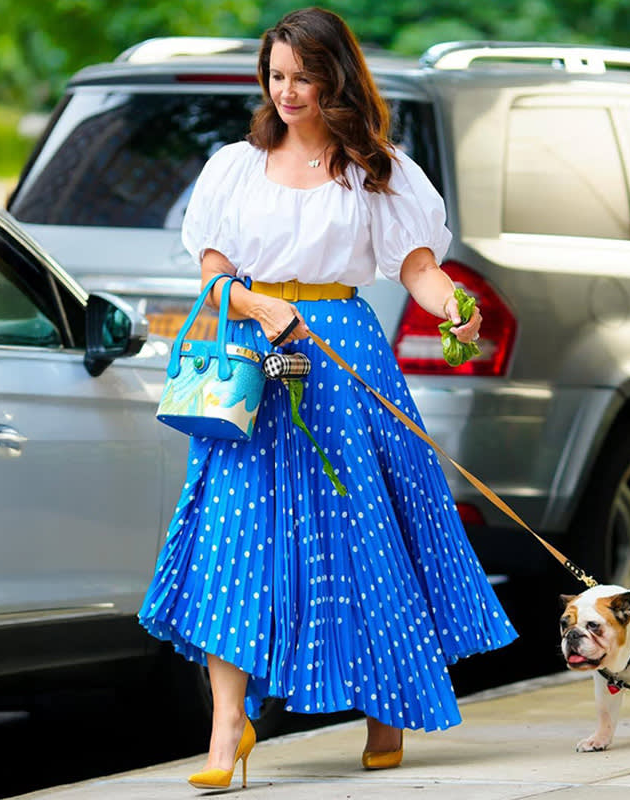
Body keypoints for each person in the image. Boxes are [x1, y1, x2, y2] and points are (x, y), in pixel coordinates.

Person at [137, 6, 517, 791]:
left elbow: (417, 269)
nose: (287, 91)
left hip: (340, 353)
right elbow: (210, 273)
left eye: (302, 76)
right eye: (276, 76)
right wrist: (257, 305)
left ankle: (385, 710)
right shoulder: (233, 168)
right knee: (234, 540)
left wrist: (451, 306)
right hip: (252, 355)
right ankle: (227, 731)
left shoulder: (379, 169)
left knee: (362, 527)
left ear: (334, 77)